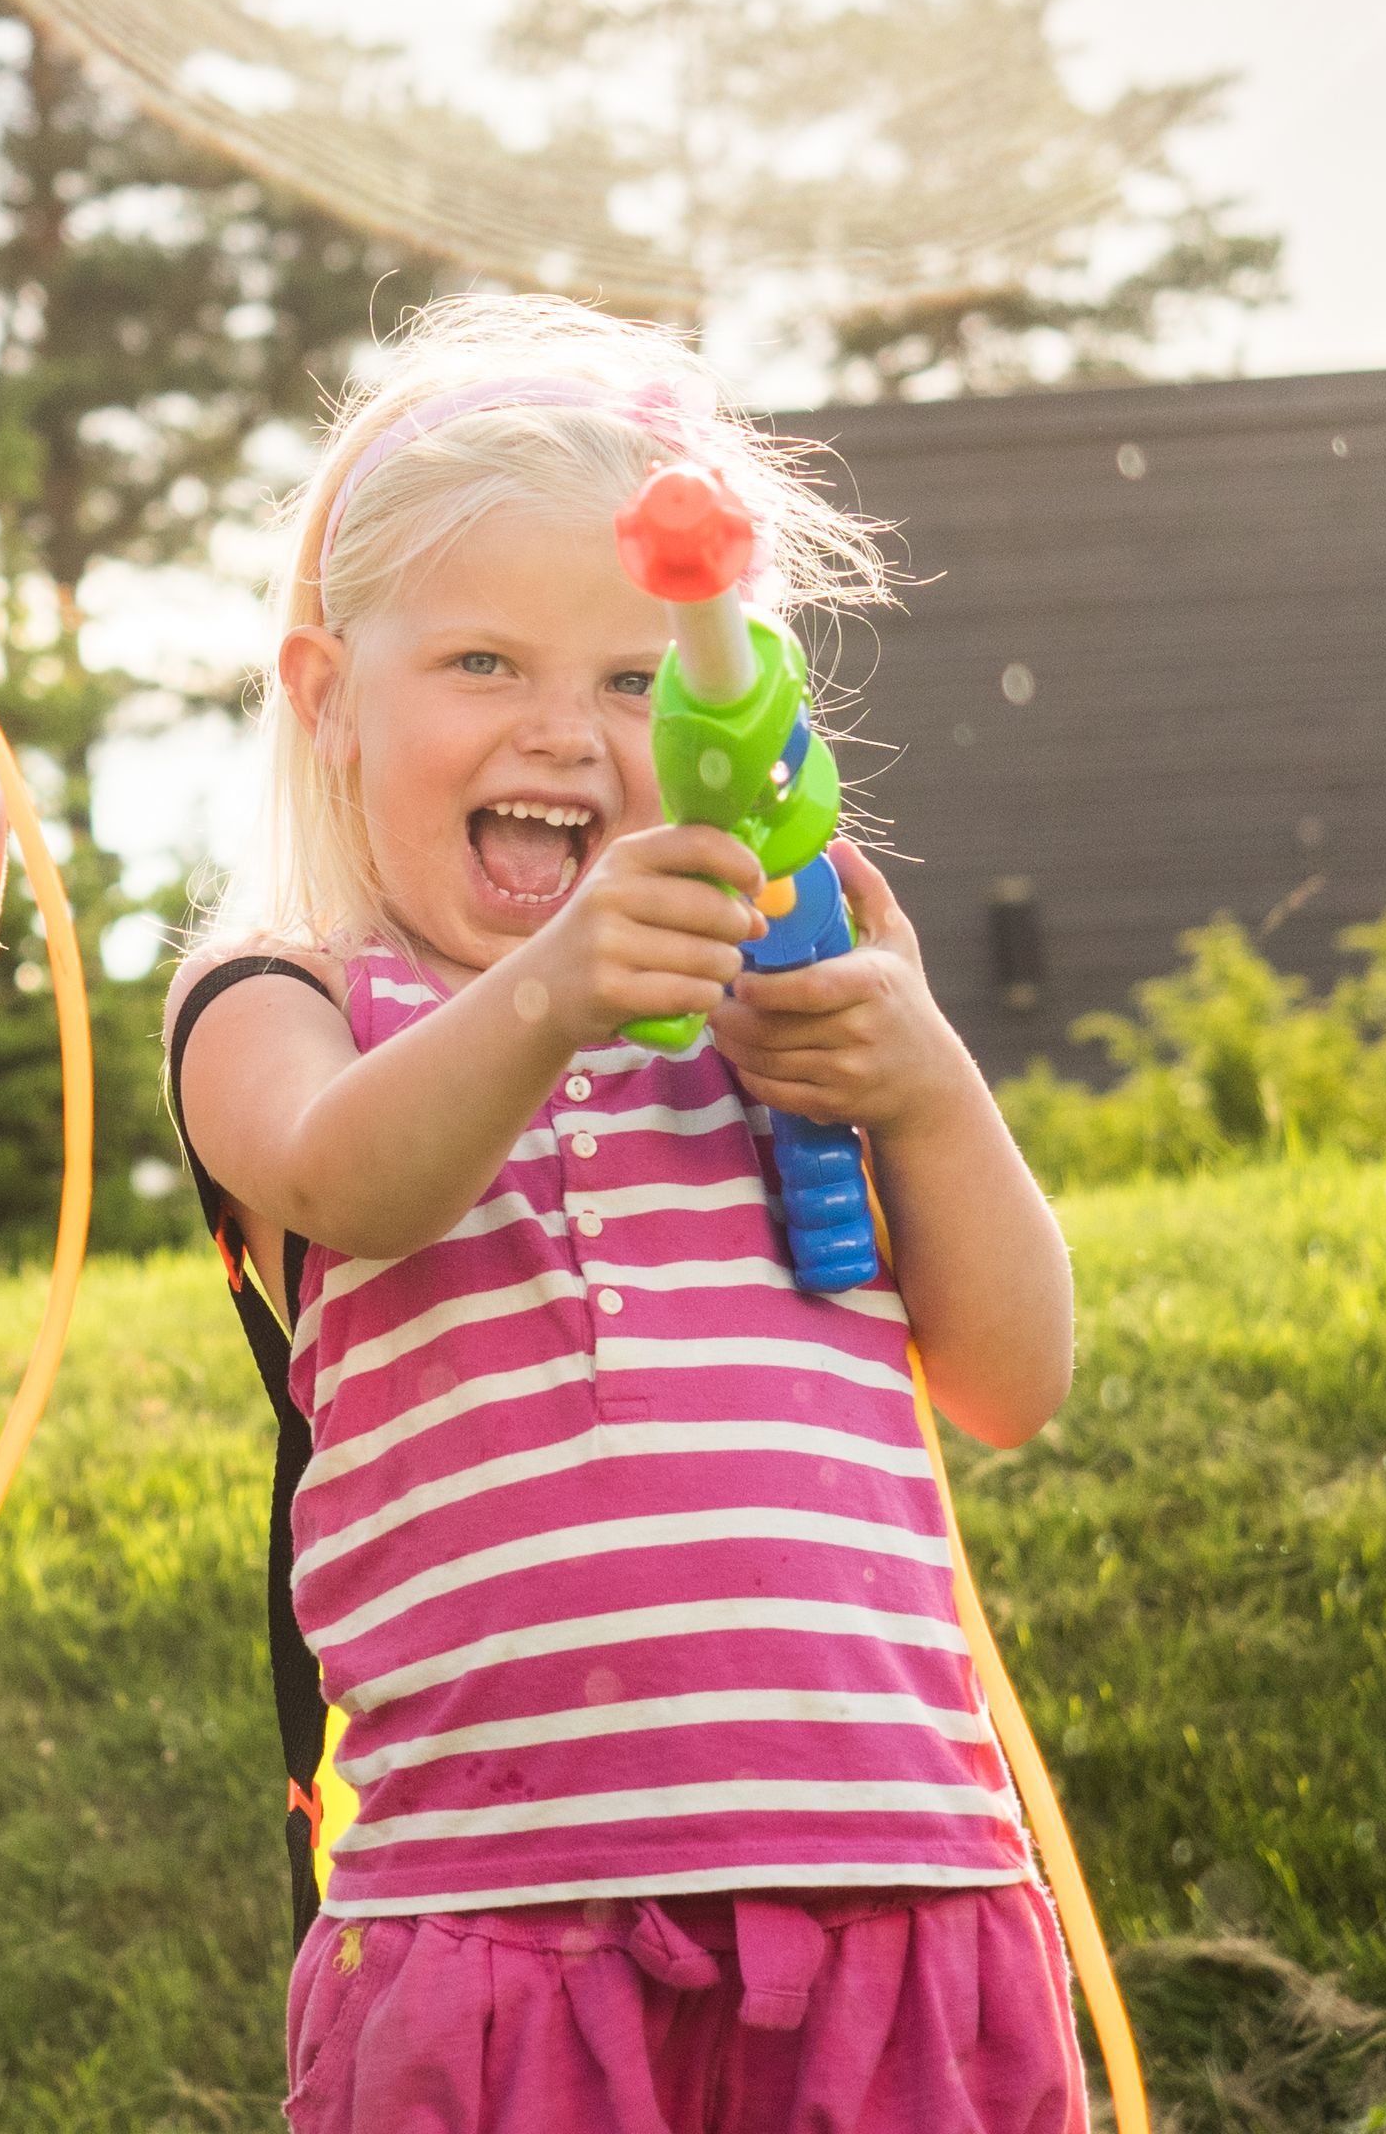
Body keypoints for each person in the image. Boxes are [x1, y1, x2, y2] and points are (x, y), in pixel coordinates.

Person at [168, 294, 1089, 2133]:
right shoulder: (293, 1000)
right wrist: (559, 989)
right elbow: (356, 1175)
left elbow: (1011, 1373)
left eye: (632, 679)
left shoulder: (793, 990)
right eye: (486, 666)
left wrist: (922, 1085)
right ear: (330, 699)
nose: (570, 734)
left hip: (895, 1889)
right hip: (496, 1930)